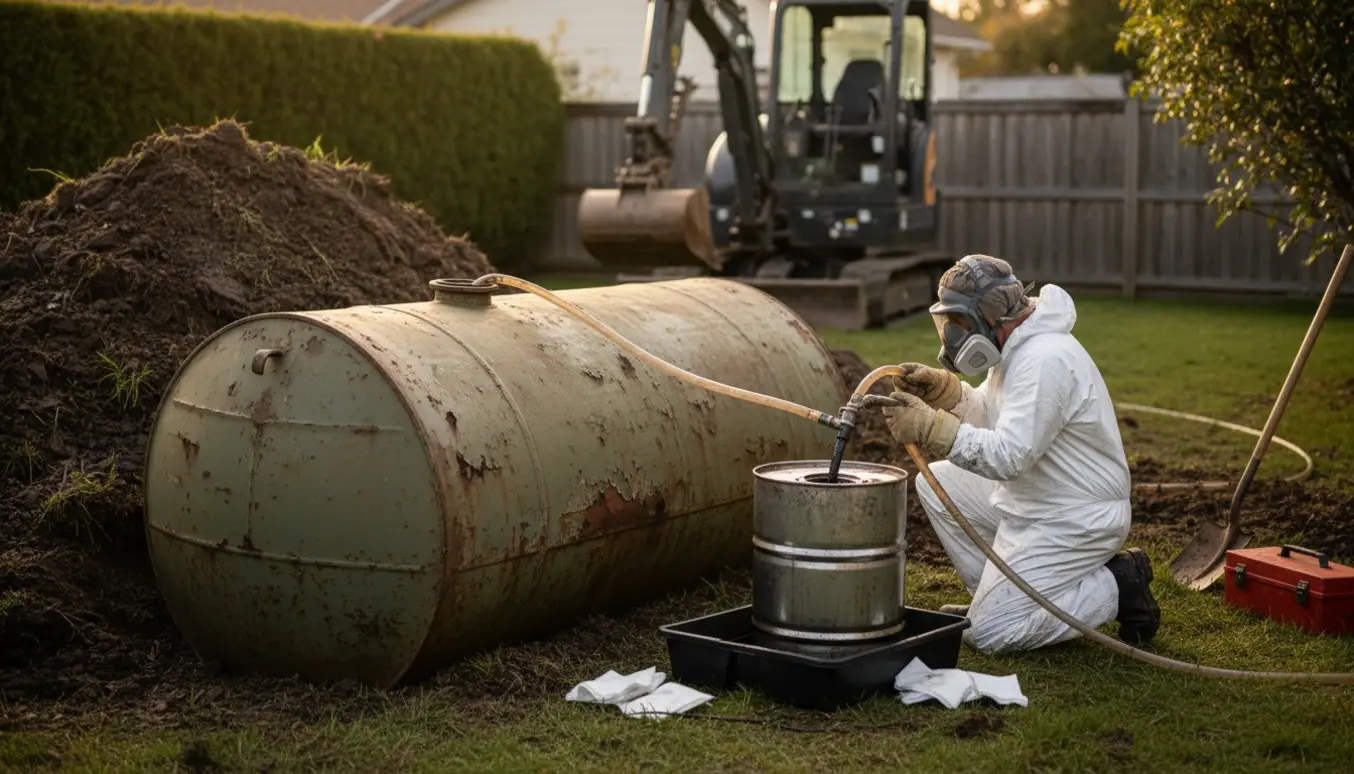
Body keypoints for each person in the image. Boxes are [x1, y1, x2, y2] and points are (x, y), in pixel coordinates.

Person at [881, 254, 1160, 653]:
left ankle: (1118, 581)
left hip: (1075, 516)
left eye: (958, 324)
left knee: (989, 635)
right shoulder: (1015, 347)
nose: (952, 336)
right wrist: (950, 394)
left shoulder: (1044, 359)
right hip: (1036, 495)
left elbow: (1008, 456)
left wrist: (931, 427)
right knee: (936, 482)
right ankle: (995, 602)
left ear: (988, 316)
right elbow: (998, 418)